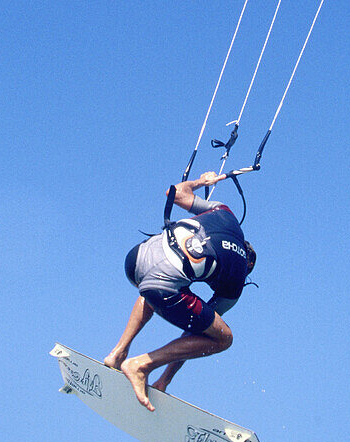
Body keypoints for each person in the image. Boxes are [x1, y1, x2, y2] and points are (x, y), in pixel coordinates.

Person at [104, 170, 256, 411]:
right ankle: (141, 365)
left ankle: (117, 353)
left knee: (159, 287)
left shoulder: (225, 212)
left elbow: (173, 192)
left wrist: (201, 182)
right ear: (247, 265)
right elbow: (197, 332)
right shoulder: (235, 282)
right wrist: (164, 381)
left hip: (135, 259)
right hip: (160, 285)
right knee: (223, 338)